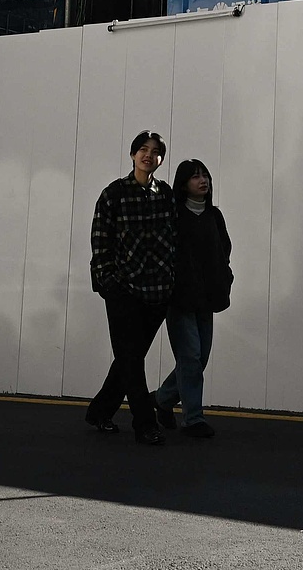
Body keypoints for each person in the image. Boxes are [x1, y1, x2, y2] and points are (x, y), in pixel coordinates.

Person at [85, 130, 177, 446]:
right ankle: (145, 424)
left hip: (158, 291)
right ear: (133, 154)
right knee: (132, 360)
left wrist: (171, 279)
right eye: (143, 149)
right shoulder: (113, 194)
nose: (148, 155)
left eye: (155, 151)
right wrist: (109, 281)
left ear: (161, 159)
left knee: (129, 357)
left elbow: (175, 238)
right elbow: (100, 240)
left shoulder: (165, 194)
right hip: (123, 290)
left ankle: (100, 411)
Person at [152, 158, 231, 438]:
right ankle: (193, 418)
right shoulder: (174, 215)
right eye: (196, 176)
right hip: (180, 298)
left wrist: (225, 277)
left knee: (200, 358)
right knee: (190, 358)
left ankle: (161, 399)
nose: (203, 180)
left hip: (207, 298)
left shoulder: (214, 216)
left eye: (205, 175)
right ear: (184, 184)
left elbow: (224, 249)